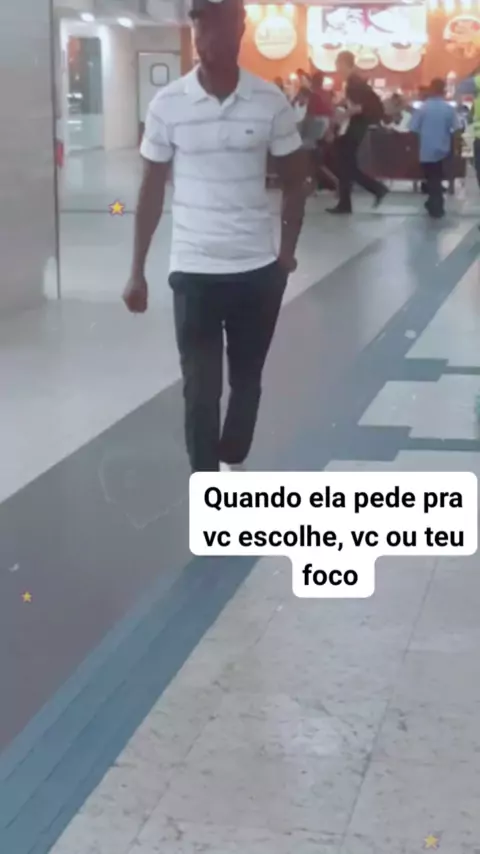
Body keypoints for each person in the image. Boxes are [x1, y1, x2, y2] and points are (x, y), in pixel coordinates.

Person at [123, 0, 307, 473]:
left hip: (256, 271)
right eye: (199, 31)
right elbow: (150, 189)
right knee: (200, 390)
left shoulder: (270, 101)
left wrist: (286, 255)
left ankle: (234, 449)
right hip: (194, 270)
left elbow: (296, 180)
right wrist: (137, 270)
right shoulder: (168, 105)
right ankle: (205, 483)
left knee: (246, 379)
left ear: (240, 30)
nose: (206, 42)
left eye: (218, 30)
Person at [327, 50, 388, 215]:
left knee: (345, 165)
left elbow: (359, 107)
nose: (336, 67)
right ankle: (347, 202)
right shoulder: (353, 81)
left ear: (344, 64)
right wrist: (340, 103)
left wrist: (343, 114)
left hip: (355, 127)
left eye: (338, 64)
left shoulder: (354, 82)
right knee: (346, 165)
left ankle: (375, 189)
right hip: (356, 126)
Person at [409, 78, 460, 219]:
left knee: (432, 178)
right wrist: (455, 147)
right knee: (436, 177)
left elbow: (413, 129)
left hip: (426, 149)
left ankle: (435, 205)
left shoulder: (423, 108)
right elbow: (456, 129)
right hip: (444, 149)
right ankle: (435, 204)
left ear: (431, 89)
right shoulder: (448, 109)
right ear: (444, 90)